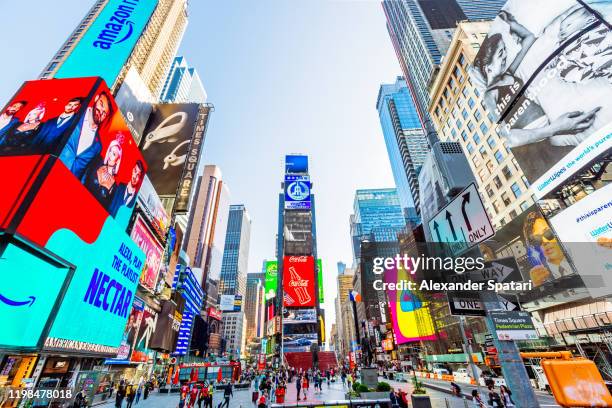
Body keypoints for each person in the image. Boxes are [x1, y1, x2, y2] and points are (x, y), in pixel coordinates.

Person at [472, 11, 598, 149]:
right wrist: (556, 128)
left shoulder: (508, 73)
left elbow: (529, 38)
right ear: (487, 68)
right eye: (501, 53)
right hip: (535, 146)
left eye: (504, 51)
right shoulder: (489, 95)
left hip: (551, 135)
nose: (505, 57)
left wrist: (511, 24)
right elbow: (507, 136)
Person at [60, 90, 113, 180]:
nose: (100, 112)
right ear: (96, 99)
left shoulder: (98, 146)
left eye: (104, 113)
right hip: (52, 170)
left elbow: (86, 172)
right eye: (101, 105)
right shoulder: (74, 116)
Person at [523, 211, 573, 286]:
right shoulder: (540, 278)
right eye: (537, 239)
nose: (545, 241)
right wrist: (537, 286)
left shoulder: (582, 254)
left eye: (547, 232)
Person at [83, 133, 123, 210]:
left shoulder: (114, 186)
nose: (110, 155)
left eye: (114, 154)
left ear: (117, 160)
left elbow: (106, 207)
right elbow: (85, 175)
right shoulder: (98, 162)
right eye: (110, 151)